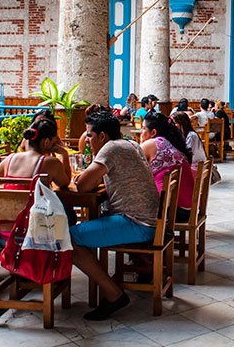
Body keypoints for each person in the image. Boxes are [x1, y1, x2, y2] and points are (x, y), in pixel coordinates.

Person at [70, 111, 159, 321]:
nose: (87, 140)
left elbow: (83, 186)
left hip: (137, 223)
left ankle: (114, 294)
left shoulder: (110, 148)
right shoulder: (129, 143)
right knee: (90, 225)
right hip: (150, 220)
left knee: (68, 238)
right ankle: (143, 268)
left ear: (102, 136)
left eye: (89, 136)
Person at [139, 112, 195, 222]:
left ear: (153, 132)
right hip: (187, 208)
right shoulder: (169, 142)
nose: (141, 132)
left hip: (176, 211)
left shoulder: (151, 144)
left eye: (143, 128)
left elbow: (130, 165)